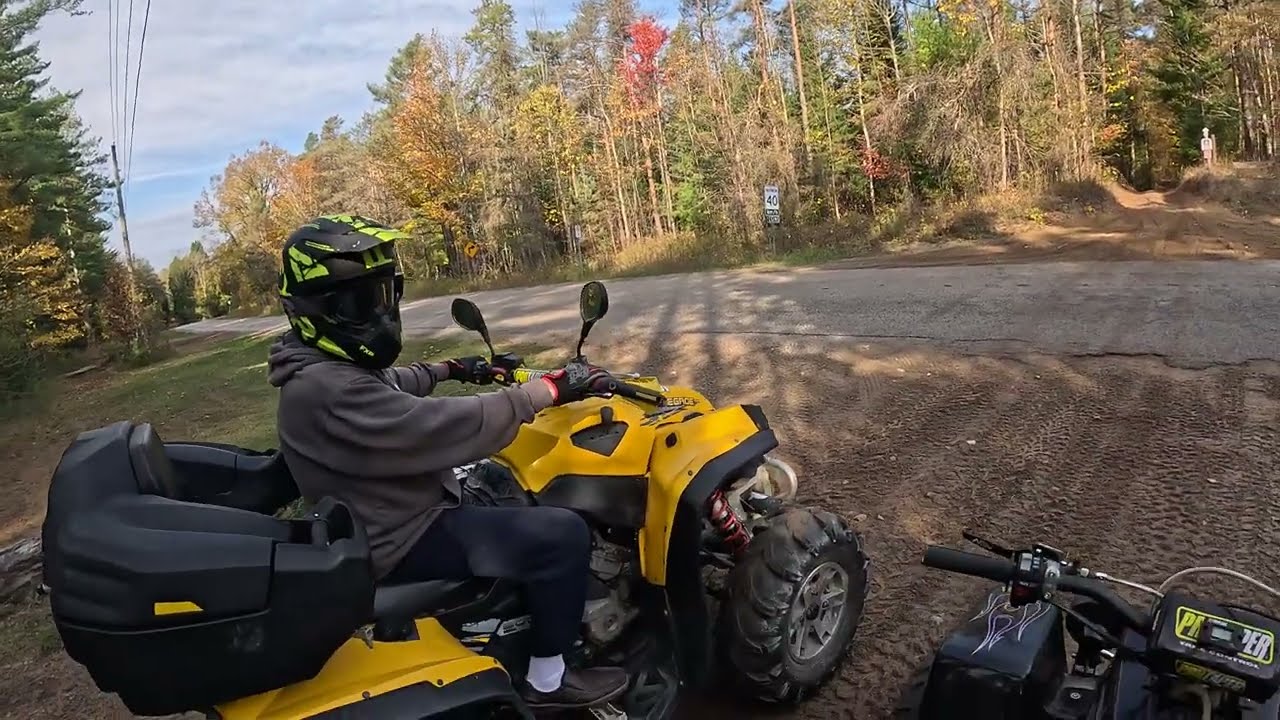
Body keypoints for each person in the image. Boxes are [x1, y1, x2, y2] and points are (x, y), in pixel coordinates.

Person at [266, 214, 628, 709]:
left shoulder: (319, 369)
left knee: (507, 492)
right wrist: (545, 390)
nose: (380, 310)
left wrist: (454, 368)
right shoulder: (325, 390)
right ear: (312, 310)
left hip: (386, 512)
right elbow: (446, 427)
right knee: (561, 534)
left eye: (385, 294)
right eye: (359, 301)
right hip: (402, 535)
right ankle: (549, 679)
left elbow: (389, 386)